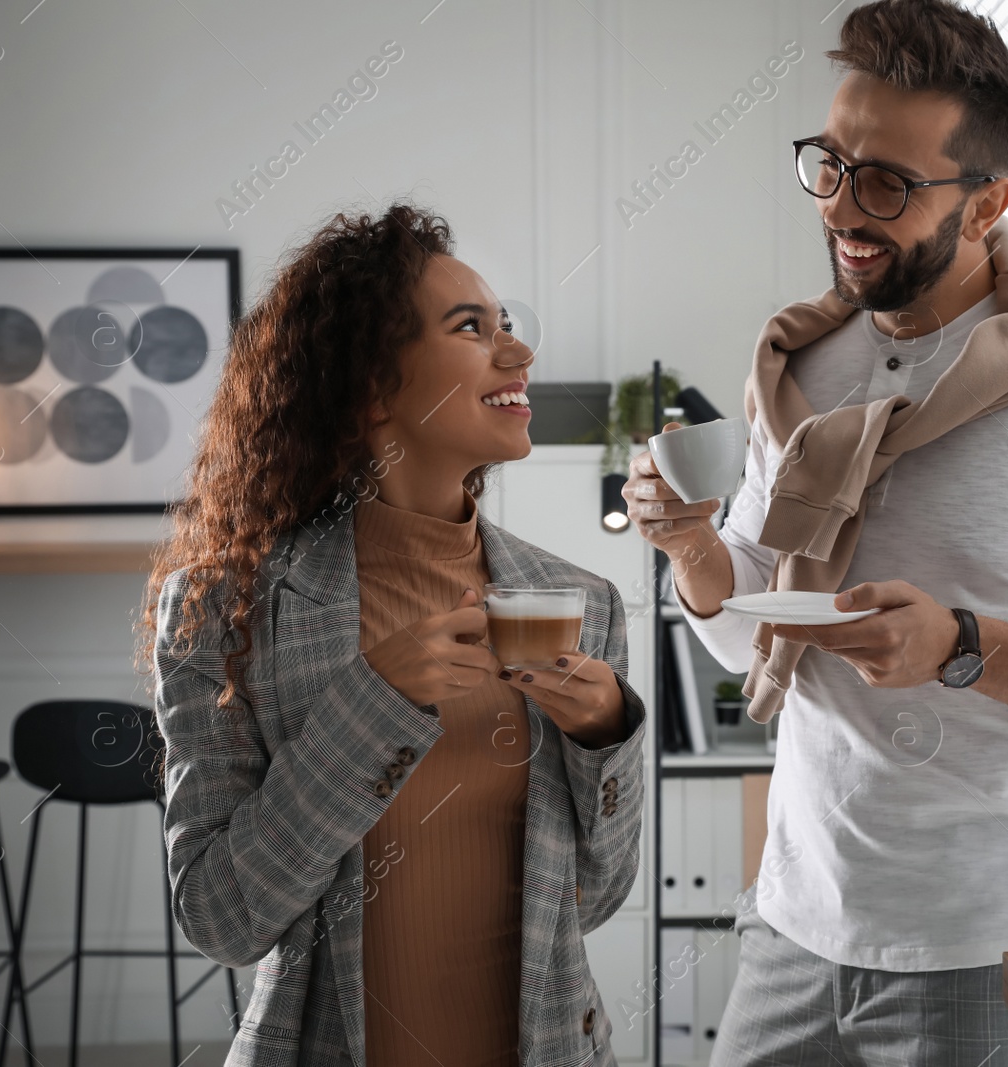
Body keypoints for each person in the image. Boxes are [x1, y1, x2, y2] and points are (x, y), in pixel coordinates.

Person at [623, 2, 1008, 1064]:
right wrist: (697, 555)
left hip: (986, 954)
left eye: (888, 181)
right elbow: (759, 626)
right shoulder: (801, 370)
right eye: (830, 164)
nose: (844, 208)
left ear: (988, 202)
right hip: (791, 923)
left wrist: (963, 649)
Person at [135, 203, 646, 1067]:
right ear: (374, 388)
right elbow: (224, 918)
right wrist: (374, 706)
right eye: (471, 328)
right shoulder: (226, 607)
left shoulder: (582, 600)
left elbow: (592, 900)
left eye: (509, 326)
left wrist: (606, 737)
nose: (518, 352)